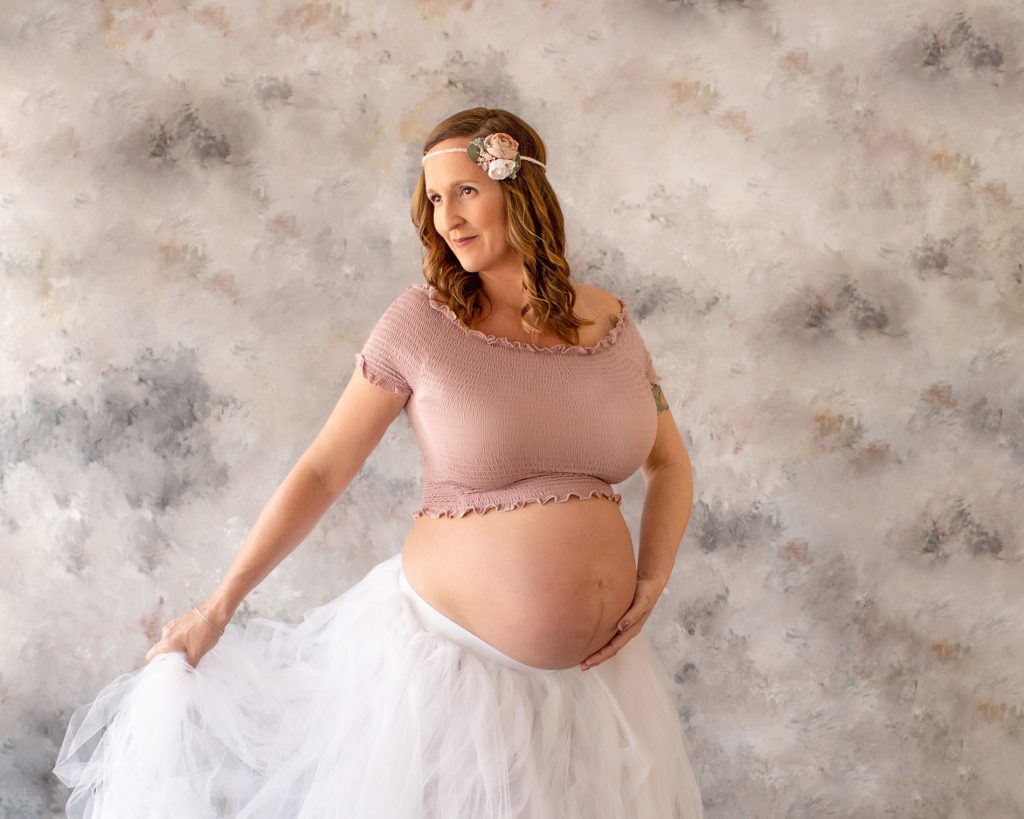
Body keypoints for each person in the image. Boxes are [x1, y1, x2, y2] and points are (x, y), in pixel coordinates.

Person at [52, 107, 705, 818]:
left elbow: (668, 464)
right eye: (432, 198)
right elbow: (324, 470)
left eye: (464, 191)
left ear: (522, 191)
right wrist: (218, 605)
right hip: (451, 679)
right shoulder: (422, 323)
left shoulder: (610, 322)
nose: (447, 216)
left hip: (597, 687)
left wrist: (652, 576)